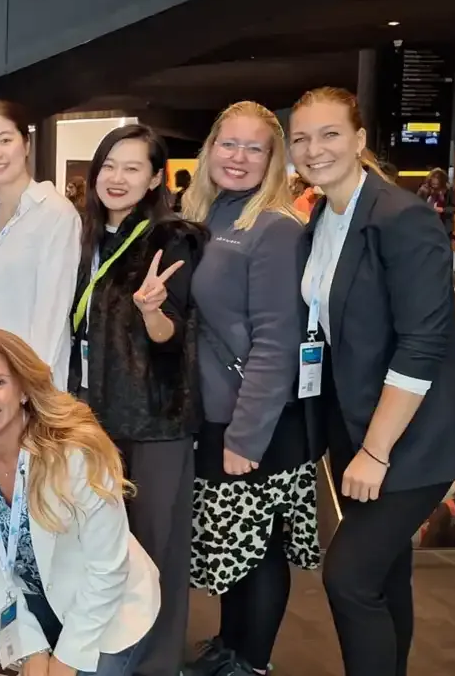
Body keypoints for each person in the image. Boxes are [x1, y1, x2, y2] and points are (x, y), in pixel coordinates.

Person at [290, 87, 455, 676]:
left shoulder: (402, 217)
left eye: (329, 134)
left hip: (406, 441)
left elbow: (423, 342)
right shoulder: (323, 215)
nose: (313, 149)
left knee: (349, 577)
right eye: (301, 138)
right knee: (387, 575)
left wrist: (376, 449)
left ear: (361, 139)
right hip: (355, 427)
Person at [179, 102, 321, 676]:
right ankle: (230, 646)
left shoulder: (275, 229)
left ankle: (252, 663)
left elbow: (276, 341)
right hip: (216, 413)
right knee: (232, 543)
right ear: (210, 148)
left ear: (273, 158)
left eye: (253, 147)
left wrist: (247, 435)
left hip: (257, 421)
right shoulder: (209, 215)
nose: (237, 158)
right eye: (227, 144)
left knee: (259, 548)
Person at [0, 328, 161, 676]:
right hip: (19, 592)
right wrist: (30, 649)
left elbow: (108, 570)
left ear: (23, 390)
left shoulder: (76, 452)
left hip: (100, 599)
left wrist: (65, 660)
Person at [68, 123, 204, 676]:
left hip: (154, 418)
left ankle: (155, 665)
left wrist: (153, 313)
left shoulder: (174, 239)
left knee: (154, 549)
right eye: (108, 166)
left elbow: (174, 334)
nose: (117, 178)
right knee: (103, 547)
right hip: (90, 415)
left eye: (132, 167)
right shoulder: (83, 236)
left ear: (154, 178)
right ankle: (110, 655)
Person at [0, 99, 81, 388]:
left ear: (26, 144)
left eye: (5, 140)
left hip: (31, 384)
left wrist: (30, 387)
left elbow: (51, 315)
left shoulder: (55, 214)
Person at [415, 168, 455, 236]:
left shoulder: (449, 190)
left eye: (437, 185)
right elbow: (416, 206)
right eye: (433, 185)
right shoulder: (423, 190)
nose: (434, 187)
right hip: (427, 226)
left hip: (444, 227)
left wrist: (443, 210)